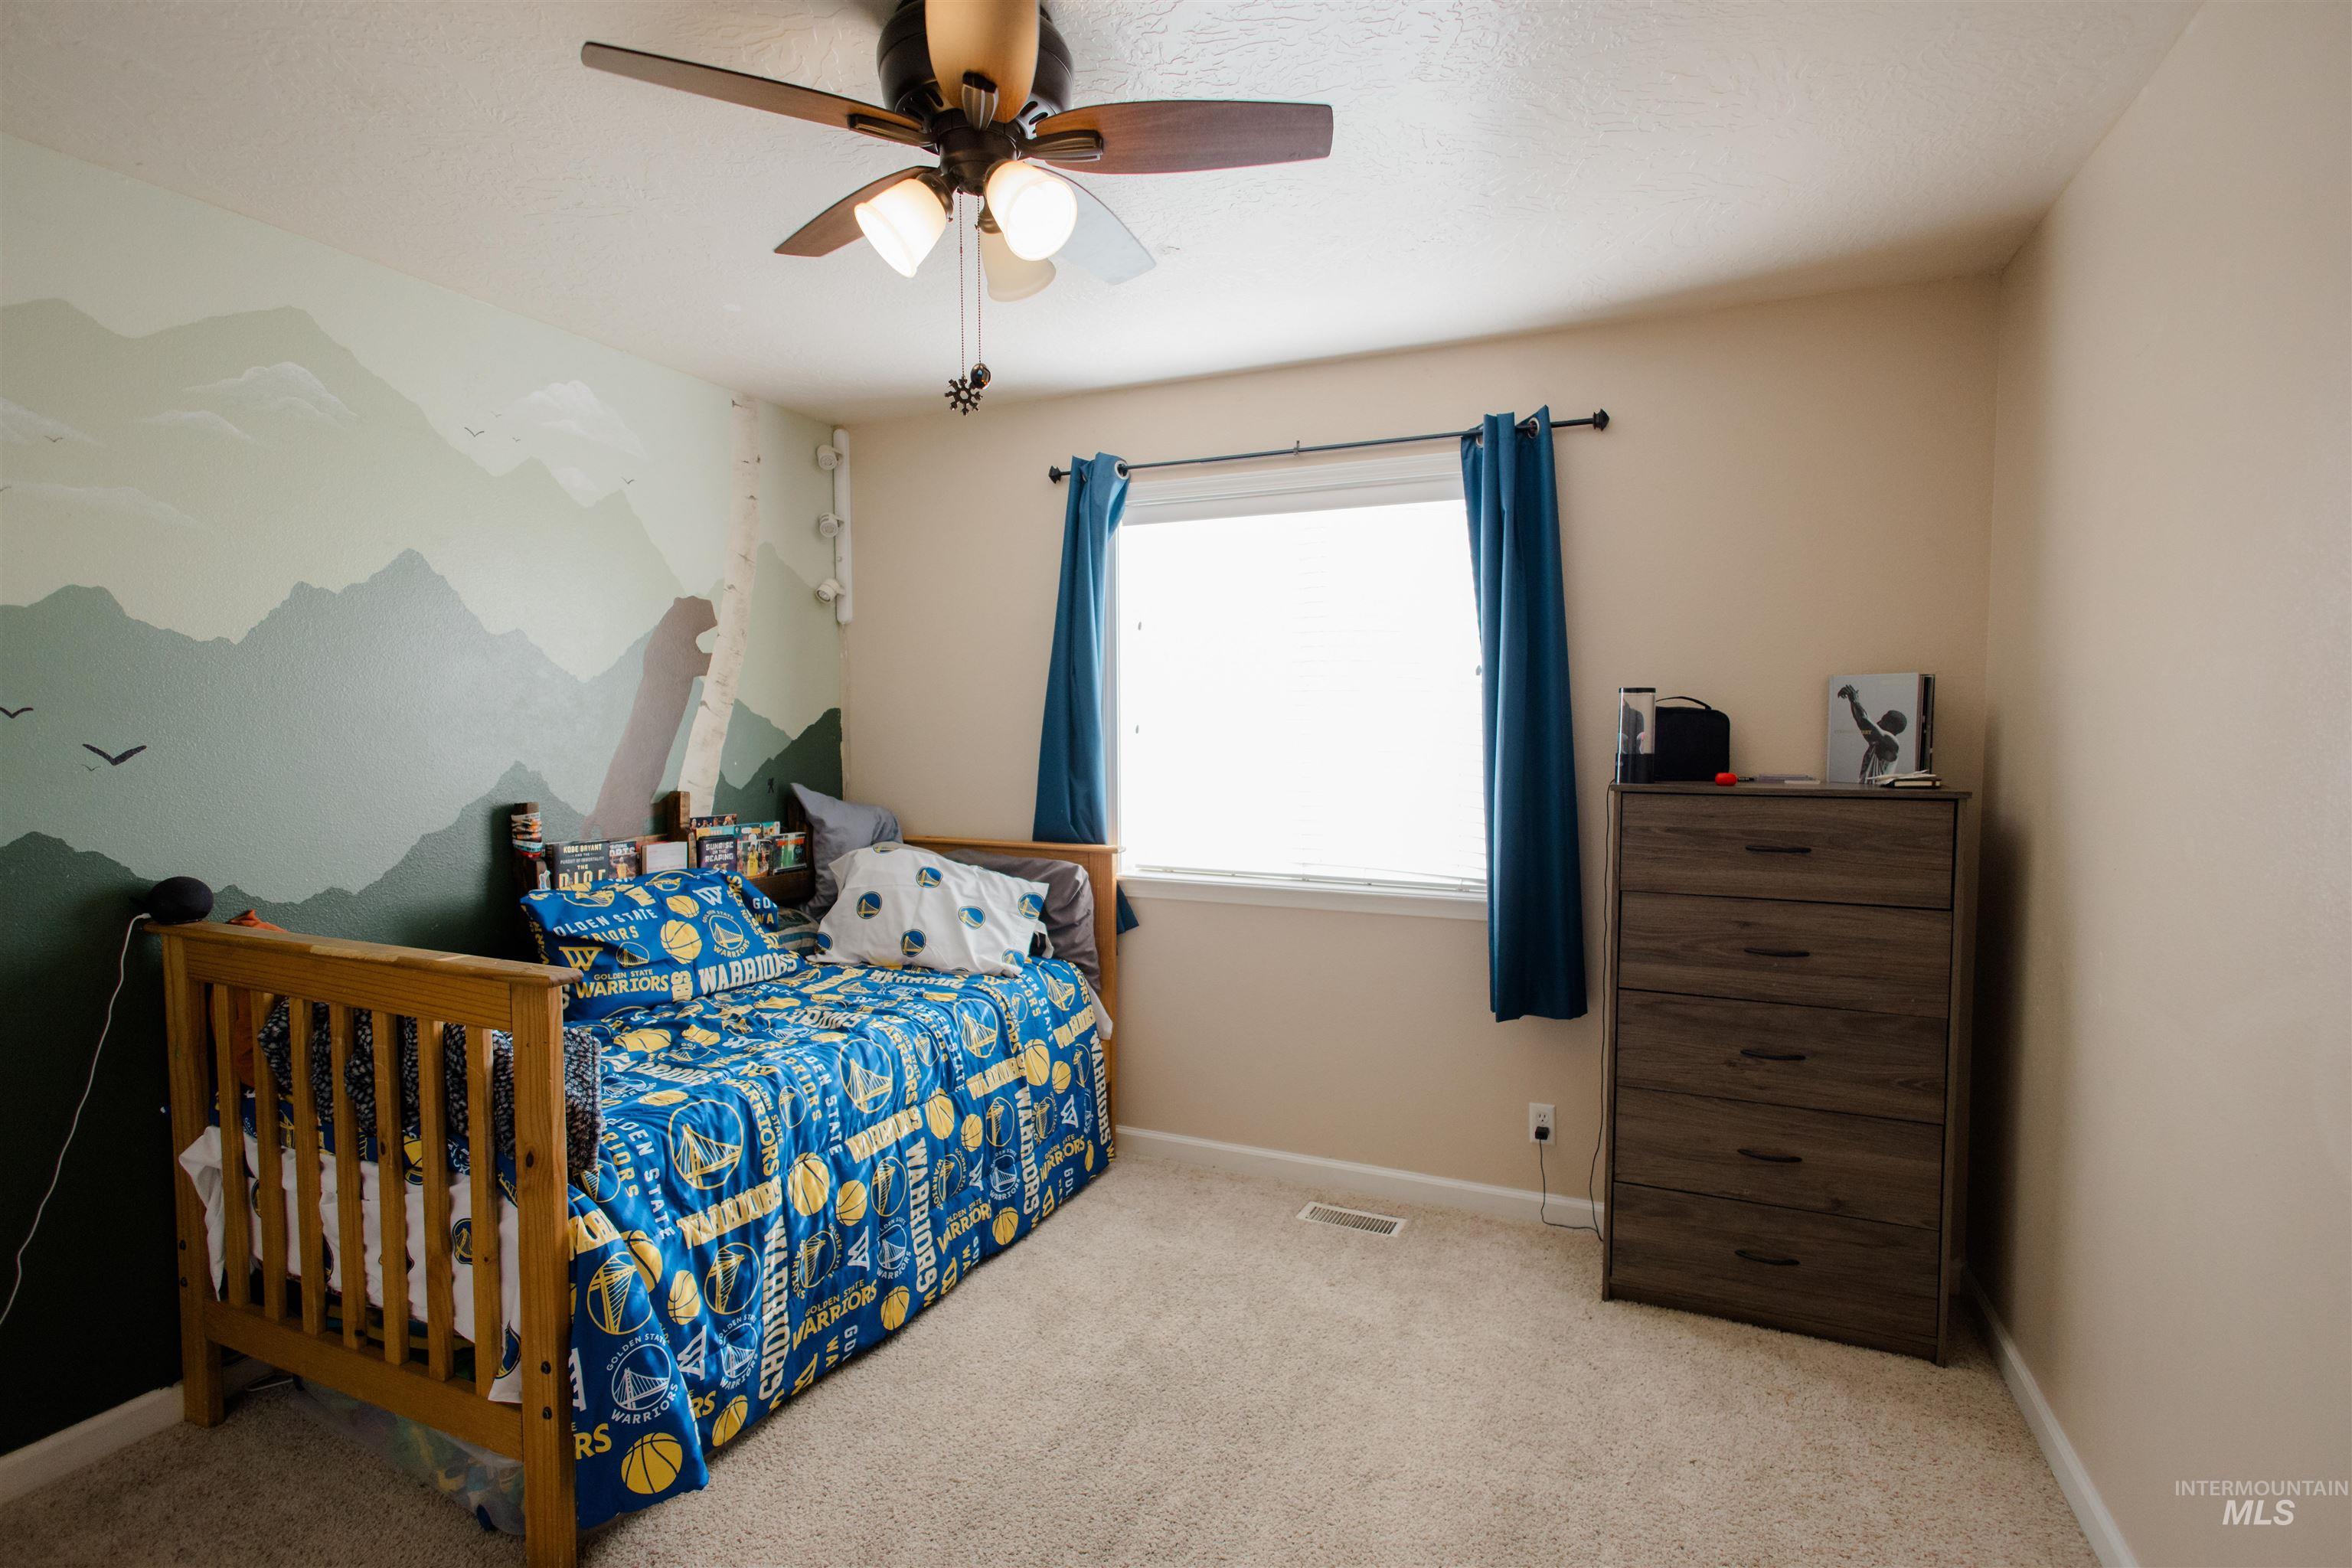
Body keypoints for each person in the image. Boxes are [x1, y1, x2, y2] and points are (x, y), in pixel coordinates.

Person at [1838, 684, 1907, 783]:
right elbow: (1861, 722)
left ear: (1892, 726)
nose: (1879, 722)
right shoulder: (1877, 742)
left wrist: (1855, 701)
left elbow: (1865, 721)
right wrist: (1852, 701)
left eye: (1883, 720)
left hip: (1878, 791)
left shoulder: (1892, 743)